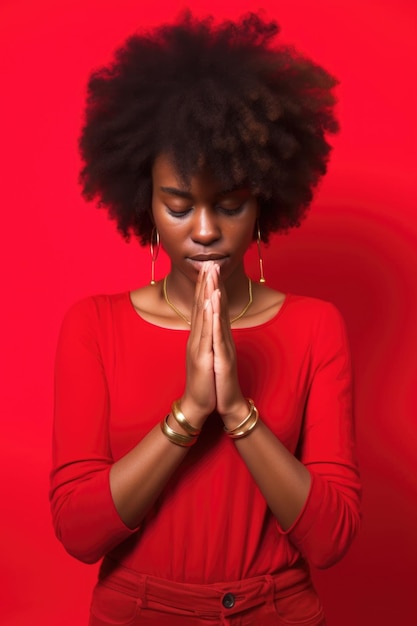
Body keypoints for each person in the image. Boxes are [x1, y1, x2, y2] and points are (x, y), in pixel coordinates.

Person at [50, 11, 361, 626]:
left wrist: (238, 411)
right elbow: (79, 532)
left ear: (265, 202)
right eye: (178, 205)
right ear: (145, 205)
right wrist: (190, 411)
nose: (205, 231)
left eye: (230, 205)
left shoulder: (316, 327)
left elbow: (332, 538)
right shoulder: (93, 326)